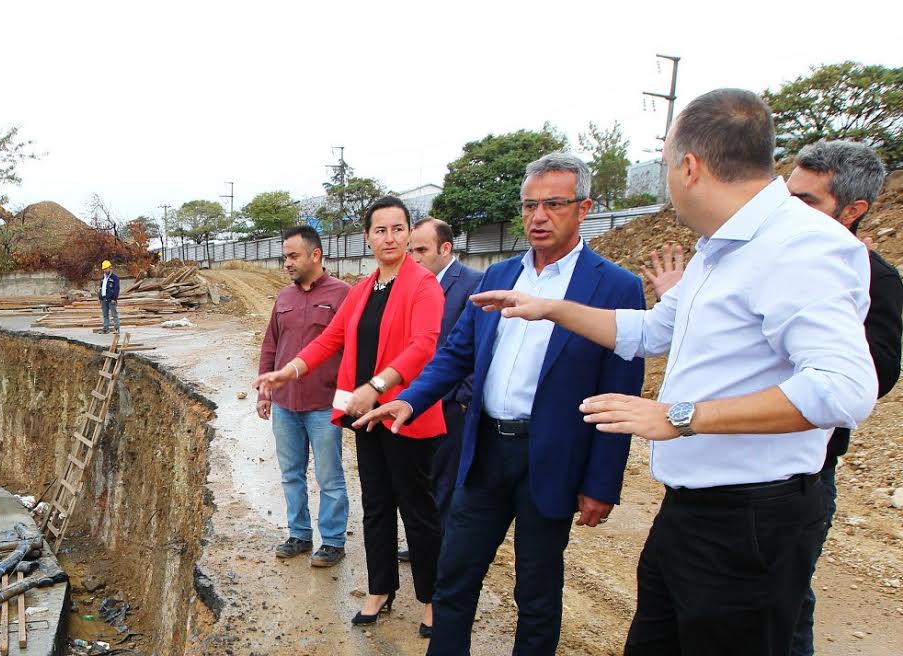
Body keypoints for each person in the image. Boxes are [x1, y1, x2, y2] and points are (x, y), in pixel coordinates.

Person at [467, 89, 877, 654]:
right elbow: (654, 330)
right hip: (692, 508)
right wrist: (550, 308)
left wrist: (681, 416)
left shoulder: (800, 246)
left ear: (689, 166)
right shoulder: (720, 247)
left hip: (750, 520)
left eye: (664, 165)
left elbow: (844, 389)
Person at [355, 153, 645, 654]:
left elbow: (621, 393)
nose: (538, 216)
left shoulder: (615, 287)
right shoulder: (499, 276)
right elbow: (456, 354)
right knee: (455, 576)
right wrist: (411, 401)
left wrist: (602, 482)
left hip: (550, 457)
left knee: (536, 589)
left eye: (554, 204)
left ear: (584, 208)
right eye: (530, 205)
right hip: (486, 450)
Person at [642, 139, 901, 656]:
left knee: (782, 616)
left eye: (807, 200)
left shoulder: (860, 272)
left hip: (783, 485)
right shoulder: (742, 252)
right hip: (708, 489)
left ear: (853, 210)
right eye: (790, 191)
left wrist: (687, 415)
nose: (787, 206)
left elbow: (854, 384)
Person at [255, 196, 445, 632]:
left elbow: (425, 345)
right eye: (381, 230)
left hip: (404, 414)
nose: (390, 238)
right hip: (365, 416)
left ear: (409, 232)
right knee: (376, 505)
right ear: (368, 237)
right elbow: (329, 340)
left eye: (398, 229)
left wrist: (375, 386)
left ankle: (432, 599)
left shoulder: (423, 285)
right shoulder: (361, 291)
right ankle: (381, 590)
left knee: (417, 509)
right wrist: (288, 371)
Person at [257, 224, 353, 566]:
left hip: (323, 404)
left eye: (293, 256)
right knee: (291, 474)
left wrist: (348, 399)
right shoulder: (284, 297)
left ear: (316, 255)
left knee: (329, 477)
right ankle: (298, 534)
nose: (287, 263)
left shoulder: (343, 295)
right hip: (285, 404)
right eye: (285, 257)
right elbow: (271, 344)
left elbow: (353, 351)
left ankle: (333, 541)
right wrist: (264, 392)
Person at [407, 217, 485, 523]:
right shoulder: (411, 285)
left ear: (445, 248)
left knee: (447, 478)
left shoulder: (473, 284)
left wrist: (463, 397)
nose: (414, 258)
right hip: (418, 398)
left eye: (422, 250)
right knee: (420, 474)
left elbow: (481, 345)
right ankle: (424, 538)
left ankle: (442, 542)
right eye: (411, 250)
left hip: (451, 403)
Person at [98, 260, 120, 334]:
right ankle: (106, 329)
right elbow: (101, 288)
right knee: (105, 315)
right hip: (104, 299)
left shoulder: (115, 278)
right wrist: (100, 298)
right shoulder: (103, 278)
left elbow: (116, 289)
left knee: (114, 314)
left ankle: (116, 329)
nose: (105, 270)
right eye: (104, 269)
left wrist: (114, 298)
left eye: (106, 268)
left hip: (111, 300)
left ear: (110, 268)